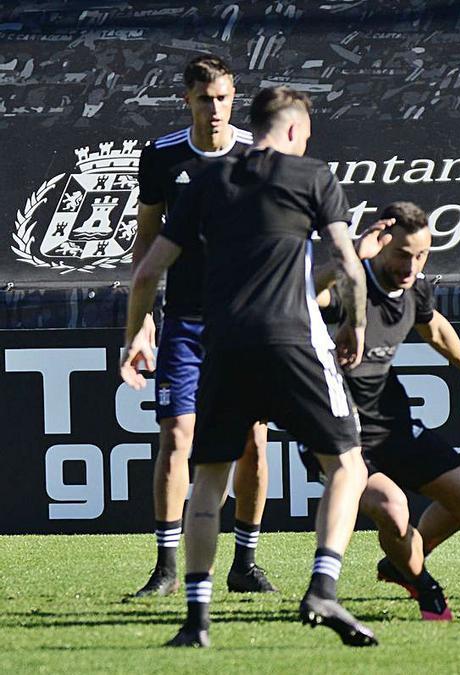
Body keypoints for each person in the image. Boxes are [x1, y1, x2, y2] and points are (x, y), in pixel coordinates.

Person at [121, 86, 377, 647]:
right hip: (292, 340)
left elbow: (145, 274)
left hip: (222, 345)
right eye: (304, 133)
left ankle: (196, 620)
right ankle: (324, 587)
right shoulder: (312, 175)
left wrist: (135, 334)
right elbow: (348, 265)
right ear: (290, 131)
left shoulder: (206, 182)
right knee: (348, 466)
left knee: (208, 479)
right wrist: (354, 326)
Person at [304, 201, 460, 621]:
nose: (412, 264)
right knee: (391, 506)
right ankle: (424, 586)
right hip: (336, 428)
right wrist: (349, 254)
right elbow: (300, 295)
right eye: (403, 254)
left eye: (421, 255)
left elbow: (433, 325)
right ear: (381, 245)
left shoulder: (416, 286)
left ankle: (401, 562)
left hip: (392, 421)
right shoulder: (350, 281)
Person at [129, 54, 274, 597]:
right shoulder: (163, 156)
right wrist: (142, 320)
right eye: (204, 98)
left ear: (234, 98)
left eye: (223, 98)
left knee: (253, 444)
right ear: (186, 100)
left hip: (245, 325)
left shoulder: (256, 154)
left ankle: (246, 562)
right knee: (177, 439)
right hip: (185, 321)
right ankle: (167, 569)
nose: (214, 108)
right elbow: (146, 242)